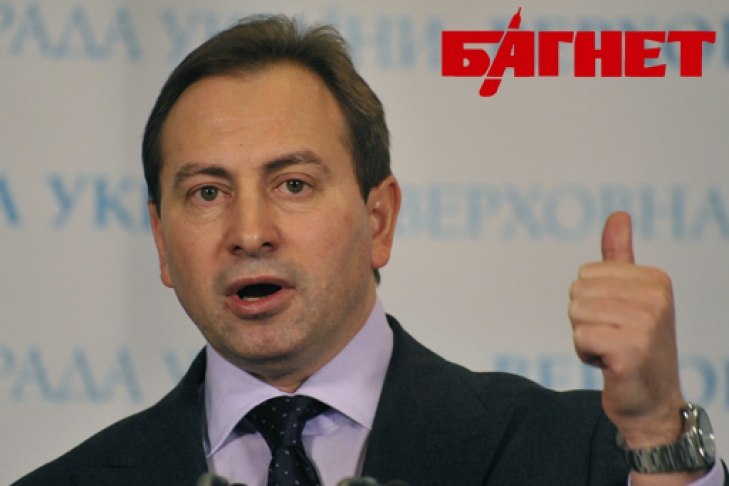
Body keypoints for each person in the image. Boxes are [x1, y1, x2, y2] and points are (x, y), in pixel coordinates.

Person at [12, 14, 725, 486]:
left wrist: (656, 432)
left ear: (378, 220)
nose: (249, 231)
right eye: (206, 192)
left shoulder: (579, 452)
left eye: (293, 184)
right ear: (162, 244)